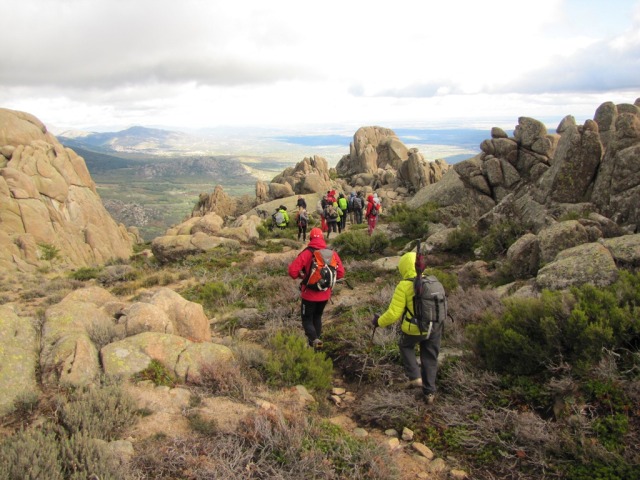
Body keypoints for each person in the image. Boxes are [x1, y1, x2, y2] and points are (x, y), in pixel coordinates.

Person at [371, 251, 443, 404]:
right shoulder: (432, 281)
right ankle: (429, 393)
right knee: (430, 357)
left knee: (405, 345)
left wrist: (378, 322)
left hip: (415, 328)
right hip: (435, 326)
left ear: (404, 267)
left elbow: (393, 313)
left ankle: (415, 377)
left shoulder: (404, 285)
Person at [288, 227, 345, 348]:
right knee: (317, 317)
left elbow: (292, 271)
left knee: (307, 319)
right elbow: (341, 273)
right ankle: (317, 345)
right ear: (323, 238)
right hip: (325, 294)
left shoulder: (307, 253)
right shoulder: (331, 253)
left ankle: (314, 341)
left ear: (310, 238)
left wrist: (302, 276)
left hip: (309, 294)